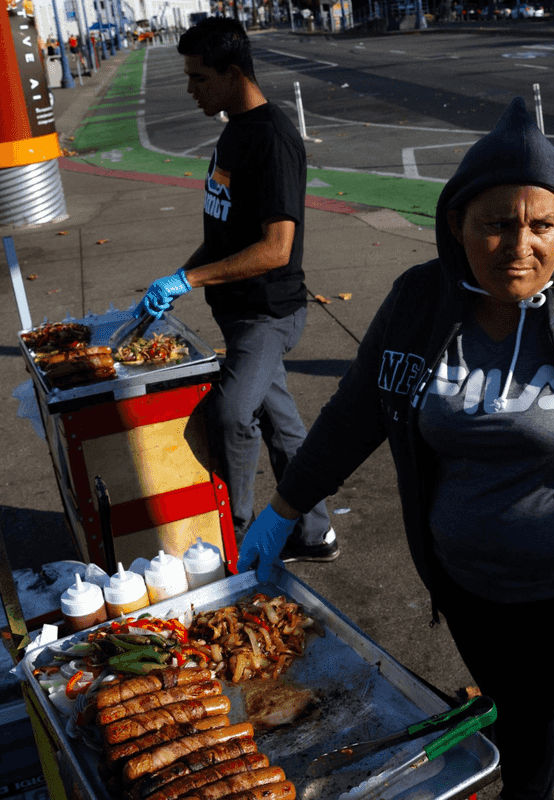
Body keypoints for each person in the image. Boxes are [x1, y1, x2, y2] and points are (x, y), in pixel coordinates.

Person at [237, 97, 554, 799]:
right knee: (520, 752)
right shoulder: (417, 303)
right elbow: (353, 415)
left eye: (542, 225)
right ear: (457, 224)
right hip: (476, 597)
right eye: (497, 224)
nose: (520, 246)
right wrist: (284, 508)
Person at [138, 17, 336, 563]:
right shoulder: (233, 131)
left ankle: (237, 538)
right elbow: (224, 233)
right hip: (238, 311)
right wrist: (178, 278)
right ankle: (315, 533)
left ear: (233, 73)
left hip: (267, 313)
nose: (190, 89)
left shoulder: (271, 139)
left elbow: (275, 248)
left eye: (199, 78)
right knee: (282, 424)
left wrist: (189, 279)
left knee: (229, 415)